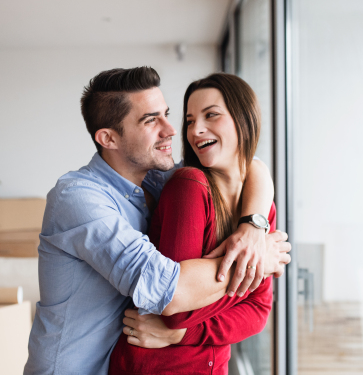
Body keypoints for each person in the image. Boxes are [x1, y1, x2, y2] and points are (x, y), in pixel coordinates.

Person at [23, 67, 291, 375]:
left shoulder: (157, 180)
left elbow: (248, 164)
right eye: (151, 120)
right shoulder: (78, 198)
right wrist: (259, 259)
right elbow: (172, 294)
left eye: (166, 114)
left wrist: (253, 227)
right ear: (109, 138)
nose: (173, 130)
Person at [109, 73, 273, 374]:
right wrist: (247, 270)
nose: (196, 130)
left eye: (211, 115)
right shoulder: (190, 186)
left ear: (244, 119)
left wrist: (185, 334)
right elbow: (174, 306)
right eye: (189, 120)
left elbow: (258, 312)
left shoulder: (260, 211)